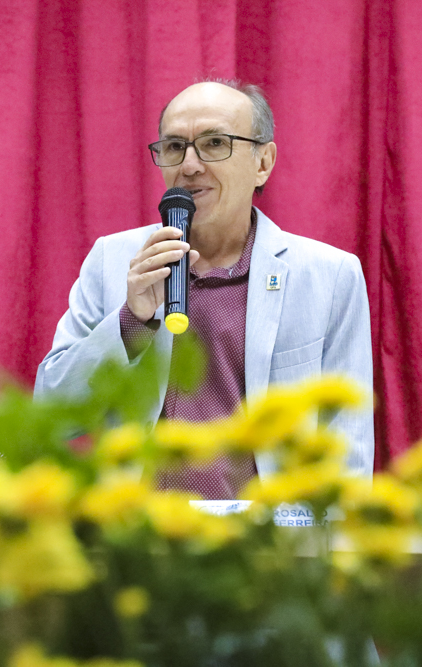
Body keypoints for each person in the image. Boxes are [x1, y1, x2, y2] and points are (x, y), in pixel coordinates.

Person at [35, 80, 374, 499]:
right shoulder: (113, 259)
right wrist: (130, 321)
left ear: (263, 162)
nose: (190, 166)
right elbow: (55, 412)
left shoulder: (330, 275)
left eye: (215, 143)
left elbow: (348, 445)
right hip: (138, 536)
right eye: (175, 147)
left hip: (267, 542)